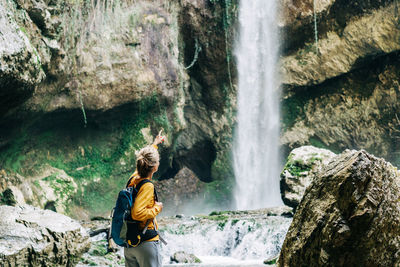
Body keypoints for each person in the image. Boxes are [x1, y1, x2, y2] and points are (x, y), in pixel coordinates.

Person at [124, 130, 165, 267]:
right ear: (155, 167)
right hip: (145, 243)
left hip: (130, 244)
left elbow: (145, 161)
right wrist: (156, 208)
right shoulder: (147, 186)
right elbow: (137, 213)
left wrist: (155, 144)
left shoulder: (133, 179)